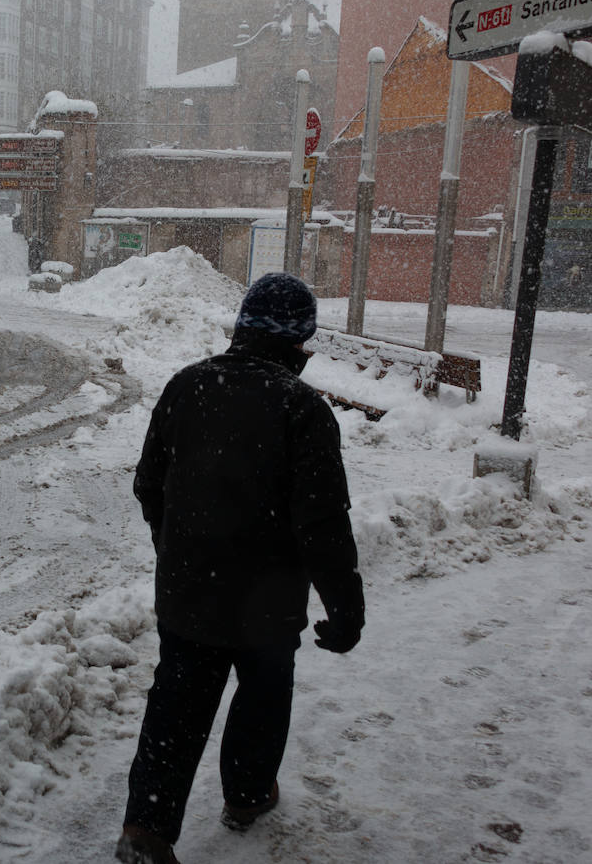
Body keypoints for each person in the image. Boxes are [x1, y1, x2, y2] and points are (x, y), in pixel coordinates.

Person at [116, 273, 366, 864]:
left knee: (176, 704)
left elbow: (149, 484)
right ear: (298, 340)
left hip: (188, 591)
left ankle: (146, 830)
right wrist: (345, 607)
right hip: (268, 601)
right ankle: (249, 796)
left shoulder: (186, 386)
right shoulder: (301, 408)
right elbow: (323, 524)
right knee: (263, 694)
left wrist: (179, 547)